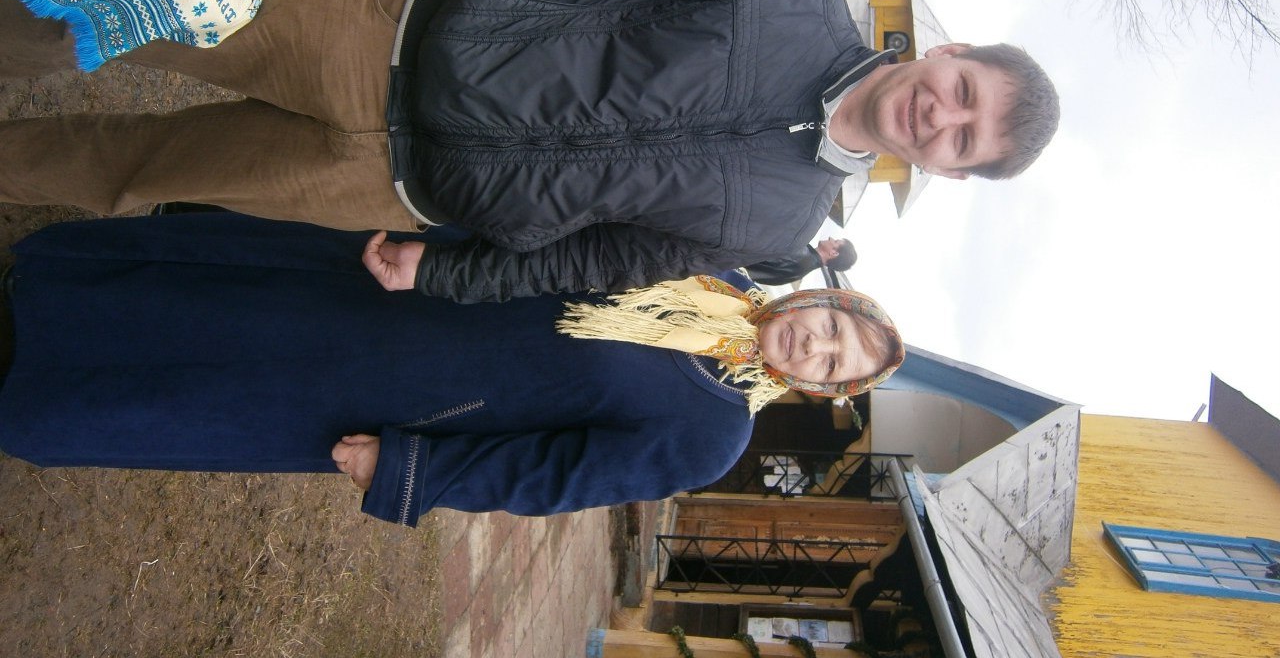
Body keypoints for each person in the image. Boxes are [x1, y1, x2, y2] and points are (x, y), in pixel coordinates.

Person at [0, 0, 1061, 303]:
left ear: (949, 170)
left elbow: (599, 260)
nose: (942, 118)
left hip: (386, 186)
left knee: (139, 173)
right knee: (134, 4)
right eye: (963, 94)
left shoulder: (778, 226)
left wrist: (447, 273)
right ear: (948, 51)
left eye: (963, 141)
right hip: (380, 30)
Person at [0, 212, 905, 526]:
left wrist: (411, 468)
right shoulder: (712, 272)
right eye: (832, 327)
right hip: (396, 296)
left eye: (833, 366)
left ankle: (31, 390)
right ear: (818, 298)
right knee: (218, 300)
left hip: (399, 395)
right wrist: (438, 251)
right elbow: (569, 239)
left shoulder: (712, 434)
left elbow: (552, 475)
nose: (815, 346)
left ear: (820, 389)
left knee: (206, 397)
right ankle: (45, 296)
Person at [746, 237, 856, 286]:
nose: (830, 238)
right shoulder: (804, 266)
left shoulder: (800, 253)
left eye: (835, 241)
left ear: (834, 253)